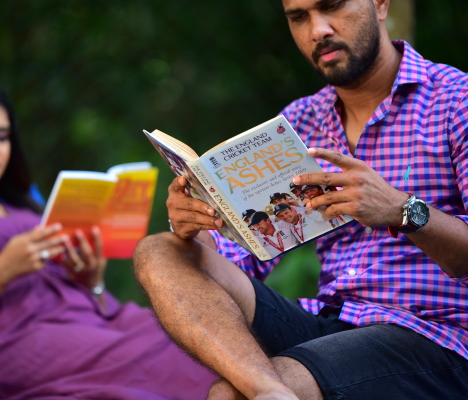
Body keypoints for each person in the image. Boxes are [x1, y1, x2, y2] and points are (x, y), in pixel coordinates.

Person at [133, 0, 468, 399]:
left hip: (435, 336)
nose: (318, 30)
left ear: (380, 4)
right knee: (160, 250)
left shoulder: (455, 101)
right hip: (330, 322)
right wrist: (198, 224)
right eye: (299, 17)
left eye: (332, 7)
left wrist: (402, 210)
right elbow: (243, 255)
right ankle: (268, 391)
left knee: (228, 395)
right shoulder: (299, 122)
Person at [0, 76, 216, 400]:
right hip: (27, 342)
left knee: (193, 332)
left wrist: (90, 281)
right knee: (173, 355)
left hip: (99, 323)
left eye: (2, 136)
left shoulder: (27, 210)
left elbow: (94, 302)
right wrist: (2, 270)